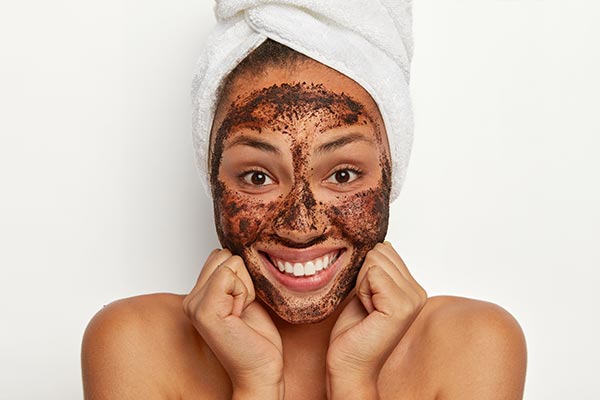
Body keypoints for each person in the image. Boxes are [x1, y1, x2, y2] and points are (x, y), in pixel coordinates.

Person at [82, 2, 527, 398]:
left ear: (392, 171)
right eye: (257, 176)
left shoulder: (474, 344)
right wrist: (256, 383)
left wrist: (354, 379)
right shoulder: (134, 343)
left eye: (343, 174)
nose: (302, 223)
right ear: (212, 177)